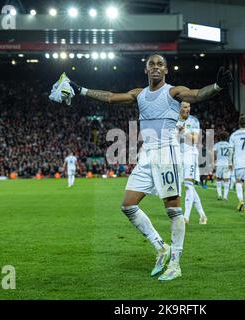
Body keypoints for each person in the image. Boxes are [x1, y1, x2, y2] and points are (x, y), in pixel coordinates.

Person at [55, 54, 232, 280]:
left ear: (166, 70)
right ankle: (161, 247)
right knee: (128, 205)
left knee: (173, 210)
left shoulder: (172, 92)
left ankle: (175, 264)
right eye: (152, 64)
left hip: (167, 153)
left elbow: (196, 95)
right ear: (146, 70)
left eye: (160, 65)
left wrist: (217, 86)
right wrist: (79, 90)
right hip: (146, 155)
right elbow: (110, 97)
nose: (156, 67)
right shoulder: (139, 94)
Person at [176, 101, 207, 225]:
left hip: (190, 154)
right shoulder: (173, 120)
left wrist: (184, 131)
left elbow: (195, 140)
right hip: (178, 155)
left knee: (188, 185)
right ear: (179, 108)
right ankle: (202, 215)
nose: (188, 109)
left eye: (189, 107)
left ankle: (186, 217)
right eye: (185, 107)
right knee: (187, 186)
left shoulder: (193, 121)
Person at [211, 132, 232, 201]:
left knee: (218, 179)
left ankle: (219, 194)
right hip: (227, 163)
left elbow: (213, 153)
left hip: (219, 163)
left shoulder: (217, 145)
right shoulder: (229, 145)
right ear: (227, 137)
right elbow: (231, 155)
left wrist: (213, 162)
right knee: (226, 180)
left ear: (220, 137)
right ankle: (225, 196)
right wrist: (231, 163)